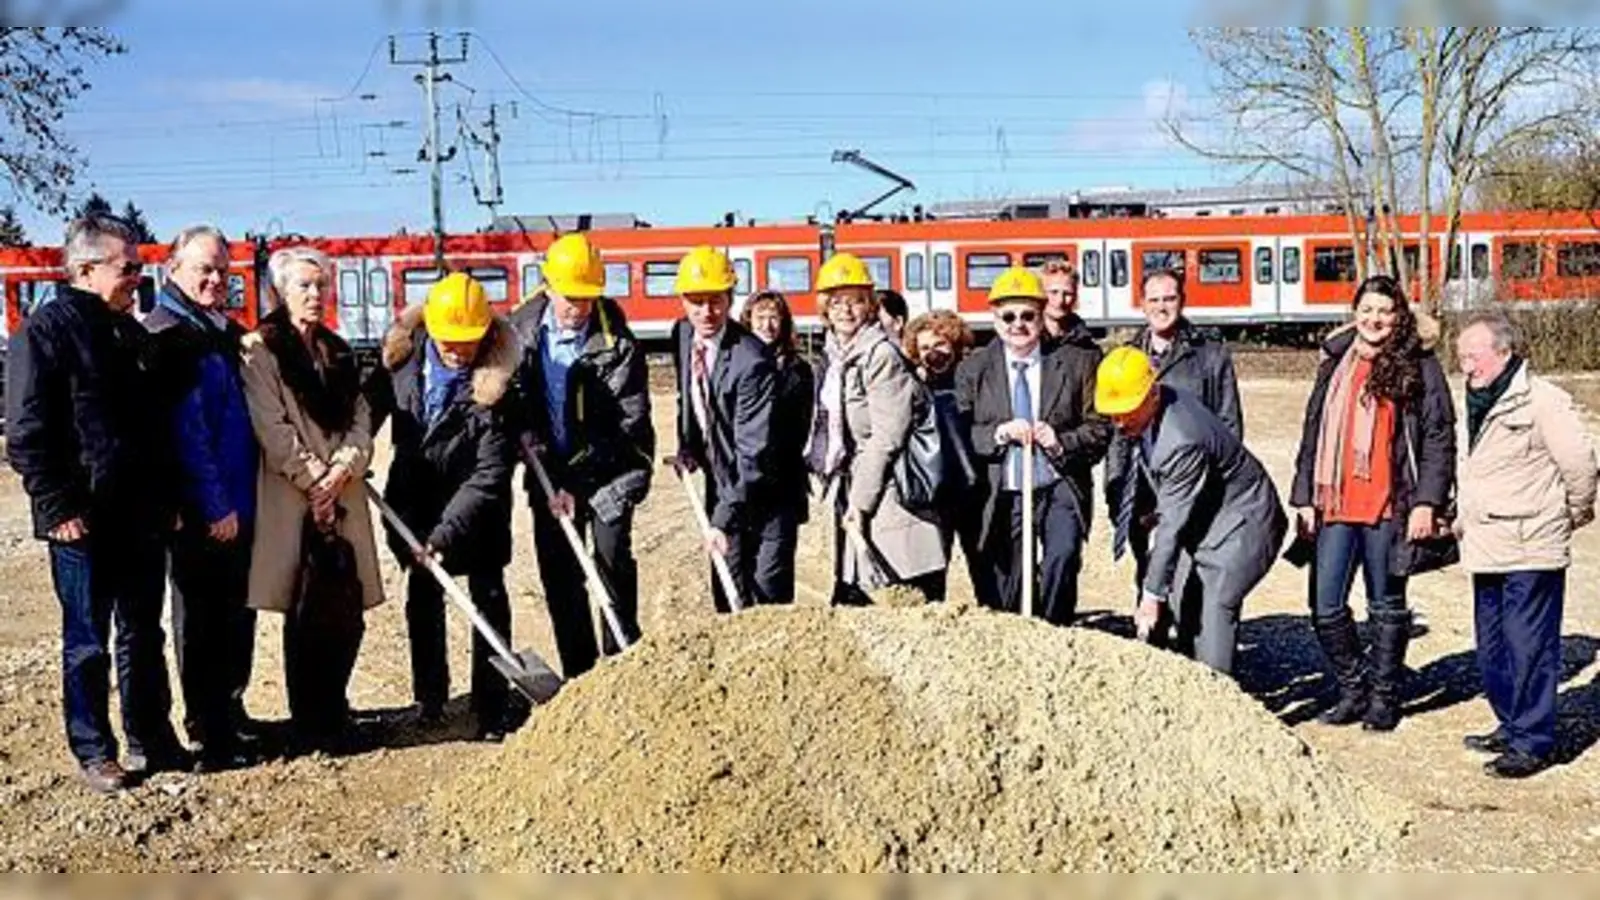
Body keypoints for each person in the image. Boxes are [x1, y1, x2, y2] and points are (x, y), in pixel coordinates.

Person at [5, 214, 187, 793]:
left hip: (139, 516)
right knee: (87, 640)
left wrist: (168, 499)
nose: (138, 277)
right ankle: (94, 749)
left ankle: (150, 736)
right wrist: (56, 508)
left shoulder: (128, 333)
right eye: (127, 266)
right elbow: (28, 431)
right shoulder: (46, 331)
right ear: (85, 269)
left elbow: (154, 429)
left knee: (142, 633)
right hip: (80, 522)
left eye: (138, 266)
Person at [1289, 275, 1456, 732]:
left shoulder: (1418, 364)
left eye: (1384, 310)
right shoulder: (1336, 360)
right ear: (1355, 311)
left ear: (1398, 314)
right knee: (1325, 607)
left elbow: (1439, 436)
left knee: (1386, 605)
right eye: (1367, 309)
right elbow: (1313, 429)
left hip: (1389, 504)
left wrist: (1428, 501)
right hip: (1336, 503)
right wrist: (1304, 495)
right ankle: (1353, 688)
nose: (1375, 319)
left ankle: (1384, 697)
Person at [240, 246, 385, 754]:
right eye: (303, 285)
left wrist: (346, 465)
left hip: (341, 491)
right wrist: (315, 480)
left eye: (320, 284)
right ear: (280, 291)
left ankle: (336, 706)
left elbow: (362, 419)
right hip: (293, 495)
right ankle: (311, 719)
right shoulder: (258, 349)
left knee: (346, 604)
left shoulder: (337, 350)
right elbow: (271, 426)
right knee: (304, 608)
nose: (315, 293)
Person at [369, 272, 520, 742]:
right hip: (412, 506)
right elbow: (363, 417)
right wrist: (344, 456)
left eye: (468, 343)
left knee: (489, 599)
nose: (457, 351)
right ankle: (430, 697)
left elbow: (488, 476)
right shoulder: (401, 365)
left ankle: (492, 705)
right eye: (448, 341)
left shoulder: (498, 389)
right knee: (423, 600)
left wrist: (444, 536)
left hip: (476, 515)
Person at [1455, 309, 1597, 778]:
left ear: (1504, 352)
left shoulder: (1542, 400)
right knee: (1492, 645)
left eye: (1472, 357)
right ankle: (1510, 722)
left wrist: (1570, 515)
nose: (1466, 367)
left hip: (1532, 542)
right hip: (1487, 542)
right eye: (1461, 357)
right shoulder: (1476, 400)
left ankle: (1533, 741)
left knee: (1529, 645)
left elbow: (1580, 465)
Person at [142, 224, 260, 772]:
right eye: (203, 270)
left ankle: (230, 712)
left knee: (236, 616)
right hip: (207, 512)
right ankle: (210, 730)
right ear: (173, 271)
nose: (215, 279)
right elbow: (187, 434)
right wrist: (214, 507)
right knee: (203, 623)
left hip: (239, 502)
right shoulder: (171, 335)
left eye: (222, 270)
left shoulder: (217, 330)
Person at [509, 232, 653, 678]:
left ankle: (622, 667)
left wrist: (576, 483)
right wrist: (523, 431)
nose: (580, 308)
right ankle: (582, 675)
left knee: (610, 565)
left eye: (589, 298)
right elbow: (508, 397)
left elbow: (626, 425)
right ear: (548, 287)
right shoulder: (520, 336)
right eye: (572, 298)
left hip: (611, 471)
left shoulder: (620, 345)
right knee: (561, 575)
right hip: (548, 475)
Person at [1096, 346, 1287, 676]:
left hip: (1243, 524)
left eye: (1126, 410)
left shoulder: (1181, 439)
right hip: (1204, 517)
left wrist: (1150, 596)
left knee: (1213, 608)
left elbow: (1170, 527)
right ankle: (1191, 686)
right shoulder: (1154, 409)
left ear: (1152, 394)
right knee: (1183, 601)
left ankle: (1219, 698)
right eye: (1112, 412)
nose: (1119, 422)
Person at [956, 266, 1108, 623]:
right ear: (994, 318)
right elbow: (963, 436)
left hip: (1059, 484)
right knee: (1012, 582)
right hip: (1005, 490)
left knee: (1062, 556)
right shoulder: (974, 370)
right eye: (1008, 315)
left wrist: (1060, 442)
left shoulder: (1077, 363)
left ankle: (1057, 631)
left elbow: (1100, 428)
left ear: (1042, 317)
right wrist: (999, 433)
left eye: (1028, 315)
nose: (1018, 324)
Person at [1106, 268, 1242, 656]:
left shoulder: (1209, 354)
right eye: (1154, 299)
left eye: (1170, 298)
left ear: (1182, 301)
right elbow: (1116, 432)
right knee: (1150, 574)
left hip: (1194, 488)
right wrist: (1118, 493)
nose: (1162, 307)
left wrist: (1217, 492)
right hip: (1142, 490)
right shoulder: (1128, 354)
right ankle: (1157, 661)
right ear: (1142, 304)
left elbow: (1229, 424)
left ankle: (1196, 658)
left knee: (1191, 581)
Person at [810, 253, 948, 603]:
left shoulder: (880, 355)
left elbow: (887, 437)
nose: (845, 310)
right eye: (836, 302)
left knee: (900, 603)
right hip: (858, 487)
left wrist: (859, 503)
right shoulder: (837, 357)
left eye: (855, 301)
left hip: (890, 497)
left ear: (869, 306)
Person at [670, 245, 778, 612]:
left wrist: (721, 520)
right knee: (726, 592)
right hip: (723, 480)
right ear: (682, 300)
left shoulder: (752, 361)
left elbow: (753, 452)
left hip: (765, 491)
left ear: (730, 298)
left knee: (765, 601)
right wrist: (687, 445)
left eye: (715, 300)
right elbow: (689, 397)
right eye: (696, 301)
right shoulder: (683, 334)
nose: (706, 312)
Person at [902, 310, 988, 604]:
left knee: (984, 564)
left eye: (940, 345)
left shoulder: (974, 381)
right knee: (932, 572)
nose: (933, 354)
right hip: (934, 490)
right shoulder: (913, 386)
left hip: (975, 487)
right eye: (925, 348)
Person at [739, 289, 814, 604]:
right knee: (740, 570)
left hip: (783, 484)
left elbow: (801, 426)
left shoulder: (798, 370)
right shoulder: (736, 365)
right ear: (748, 321)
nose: (768, 325)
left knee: (774, 571)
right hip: (743, 484)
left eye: (774, 317)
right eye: (760, 317)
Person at [1039, 259, 1078, 341]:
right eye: (1054, 292)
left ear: (1075, 296)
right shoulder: (1025, 341)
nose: (1060, 300)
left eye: (1067, 294)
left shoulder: (1085, 344)